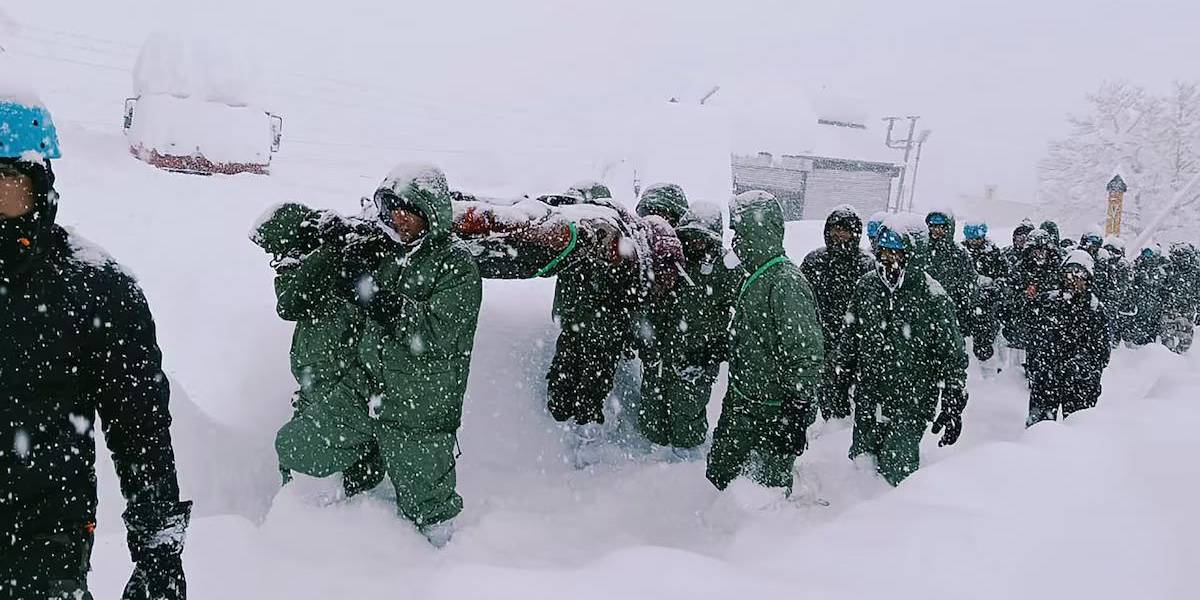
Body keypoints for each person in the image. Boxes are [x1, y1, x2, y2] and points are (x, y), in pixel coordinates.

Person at [0, 96, 192, 598]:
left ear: (40, 187)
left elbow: (140, 429)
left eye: (7, 183)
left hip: (42, 538)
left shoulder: (96, 288)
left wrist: (159, 551)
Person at [268, 163, 482, 547]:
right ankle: (303, 539)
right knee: (300, 447)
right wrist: (342, 256)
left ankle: (448, 572)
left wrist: (376, 298)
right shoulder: (384, 248)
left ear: (429, 212)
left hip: (420, 406)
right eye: (392, 209)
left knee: (430, 511)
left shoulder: (456, 264)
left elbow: (437, 333)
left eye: (408, 210)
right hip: (363, 388)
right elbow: (304, 299)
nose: (398, 219)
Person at [705, 191, 824, 494]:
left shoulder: (785, 281)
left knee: (762, 496)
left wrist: (796, 411)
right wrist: (720, 346)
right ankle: (714, 537)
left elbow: (805, 353)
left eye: (740, 231)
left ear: (760, 230)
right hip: (743, 404)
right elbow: (755, 333)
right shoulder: (756, 275)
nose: (736, 241)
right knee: (723, 479)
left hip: (773, 413)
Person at [834, 224, 969, 485]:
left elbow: (951, 352)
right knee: (862, 464)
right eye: (883, 251)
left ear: (913, 255)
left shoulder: (932, 296)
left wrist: (953, 399)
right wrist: (841, 377)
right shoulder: (868, 286)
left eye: (897, 253)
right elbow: (850, 335)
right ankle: (854, 521)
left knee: (897, 470)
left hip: (912, 399)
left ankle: (896, 519)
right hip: (869, 395)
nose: (888, 259)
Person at [545, 182, 642, 466]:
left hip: (602, 337)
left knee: (590, 396)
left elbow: (628, 294)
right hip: (575, 331)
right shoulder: (576, 239)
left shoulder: (619, 245)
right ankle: (567, 439)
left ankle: (590, 450)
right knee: (562, 398)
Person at [638, 200, 735, 459]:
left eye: (701, 239)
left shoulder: (725, 269)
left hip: (697, 358)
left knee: (687, 410)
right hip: (660, 351)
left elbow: (744, 312)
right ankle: (649, 464)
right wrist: (643, 337)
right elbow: (646, 301)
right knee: (652, 407)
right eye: (689, 237)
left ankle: (685, 465)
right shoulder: (669, 261)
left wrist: (719, 345)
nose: (694, 244)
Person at [800, 205, 875, 419]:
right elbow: (801, 300)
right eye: (836, 229)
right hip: (817, 339)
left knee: (844, 399)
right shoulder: (815, 261)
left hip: (852, 343)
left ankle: (835, 435)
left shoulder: (866, 265)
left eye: (846, 230)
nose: (840, 235)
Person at [1025, 250, 1110, 425]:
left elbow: (1102, 352)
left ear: (1088, 279)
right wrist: (1038, 365)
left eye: (1079, 275)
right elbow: (1030, 333)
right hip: (1046, 378)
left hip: (1080, 383)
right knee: (1039, 430)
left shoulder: (1095, 310)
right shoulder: (1047, 301)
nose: (1073, 280)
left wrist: (1084, 368)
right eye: (1069, 274)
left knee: (1078, 431)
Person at [924, 210, 982, 359]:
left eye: (941, 226)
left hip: (951, 313)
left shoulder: (959, 253)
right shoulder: (921, 250)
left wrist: (964, 311)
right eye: (933, 226)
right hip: (924, 312)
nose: (936, 230)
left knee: (948, 354)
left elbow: (969, 285)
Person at [961, 220, 1007, 366]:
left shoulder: (993, 253)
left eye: (977, 238)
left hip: (987, 304)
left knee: (984, 336)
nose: (974, 242)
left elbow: (1005, 276)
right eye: (971, 238)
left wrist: (994, 287)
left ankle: (986, 366)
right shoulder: (960, 252)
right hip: (964, 302)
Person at [1125, 244, 1170, 347]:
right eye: (1145, 253)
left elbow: (1165, 290)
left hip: (1154, 308)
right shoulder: (1137, 267)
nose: (1147, 257)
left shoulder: (1162, 271)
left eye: (1150, 254)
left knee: (1150, 333)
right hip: (1140, 307)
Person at [1161, 242, 1200, 354]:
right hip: (1170, 309)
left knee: (1186, 339)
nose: (1180, 259)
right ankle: (1168, 357)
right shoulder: (1168, 269)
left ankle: (1180, 359)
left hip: (1187, 309)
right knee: (1167, 336)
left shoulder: (1195, 273)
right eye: (1178, 255)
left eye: (1183, 255)